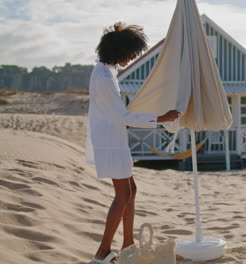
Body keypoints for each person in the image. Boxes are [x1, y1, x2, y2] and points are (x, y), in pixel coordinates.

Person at [85, 22, 179, 264]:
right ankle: (103, 252)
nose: (133, 57)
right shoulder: (104, 76)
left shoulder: (106, 71)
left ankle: (127, 245)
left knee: (131, 191)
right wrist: (162, 118)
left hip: (113, 138)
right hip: (109, 140)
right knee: (123, 193)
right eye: (132, 53)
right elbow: (124, 116)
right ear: (119, 51)